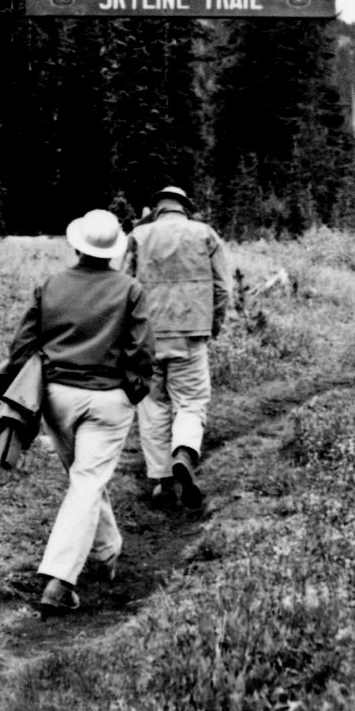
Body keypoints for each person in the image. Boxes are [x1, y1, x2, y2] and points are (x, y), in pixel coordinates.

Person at [8, 209, 154, 616]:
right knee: (88, 481)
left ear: (76, 245)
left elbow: (21, 345)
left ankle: (108, 551)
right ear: (114, 251)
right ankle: (59, 579)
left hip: (57, 398)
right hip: (109, 398)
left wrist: (38, 381)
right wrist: (134, 389)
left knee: (84, 479)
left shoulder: (51, 285)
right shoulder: (130, 289)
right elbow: (142, 351)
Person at [125, 186, 229, 517]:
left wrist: (128, 333)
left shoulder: (139, 236)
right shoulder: (206, 234)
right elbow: (222, 287)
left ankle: (162, 479)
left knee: (152, 405)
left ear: (157, 207)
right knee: (191, 402)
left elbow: (122, 285)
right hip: (191, 334)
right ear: (185, 207)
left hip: (148, 336)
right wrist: (212, 325)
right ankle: (183, 452)